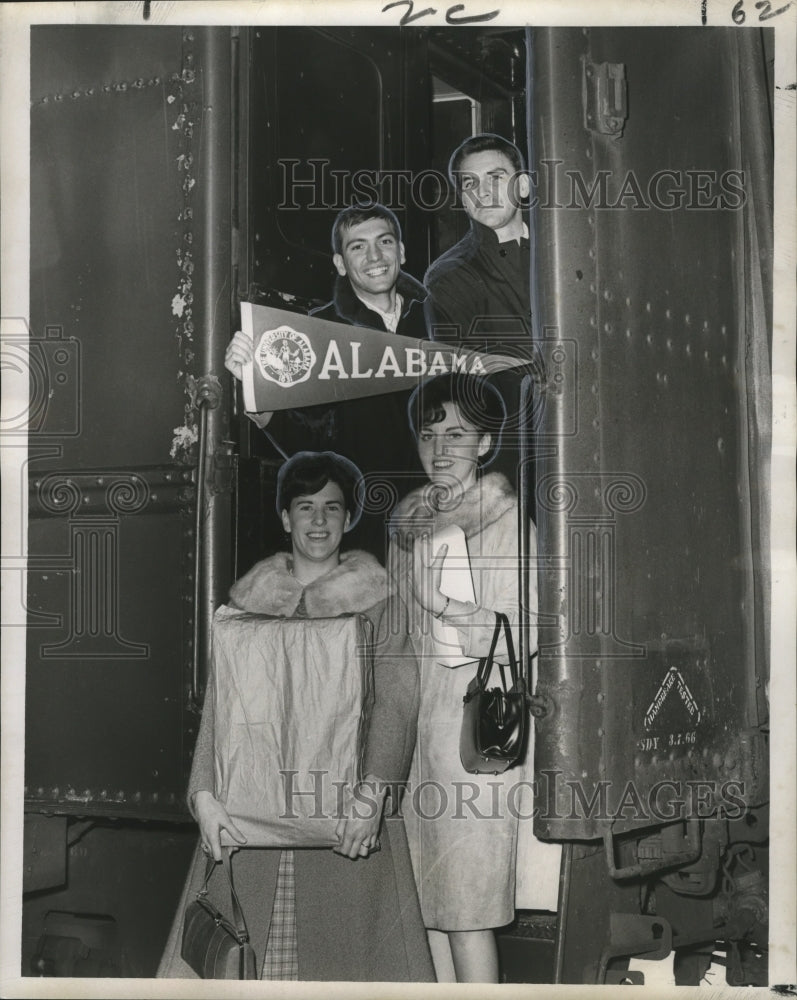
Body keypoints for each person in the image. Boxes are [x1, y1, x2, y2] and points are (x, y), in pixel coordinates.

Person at [158, 451, 435, 982]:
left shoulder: (379, 604)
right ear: (285, 518)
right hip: (249, 830)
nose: (318, 521)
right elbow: (223, 708)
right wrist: (204, 796)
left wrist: (372, 795)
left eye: (332, 508)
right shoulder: (246, 606)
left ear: (349, 519)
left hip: (347, 826)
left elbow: (396, 706)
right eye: (305, 507)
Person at [387, 373, 560, 984]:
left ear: (485, 444)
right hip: (419, 739)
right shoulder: (409, 525)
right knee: (428, 908)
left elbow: (535, 631)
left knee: (466, 909)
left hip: (475, 740)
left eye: (457, 434)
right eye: (428, 433)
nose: (439, 447)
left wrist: (448, 607)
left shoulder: (512, 527)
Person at [225, 202, 429, 560]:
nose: (374, 256)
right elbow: (307, 438)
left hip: (444, 520)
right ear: (339, 263)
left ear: (402, 251)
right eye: (357, 246)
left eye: (384, 242)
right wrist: (254, 382)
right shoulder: (321, 332)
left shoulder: (438, 320)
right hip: (370, 533)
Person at [424, 133, 536, 500]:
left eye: (495, 178)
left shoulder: (564, 249)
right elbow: (462, 386)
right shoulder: (449, 275)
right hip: (513, 456)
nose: (483, 192)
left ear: (522, 185)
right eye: (470, 183)